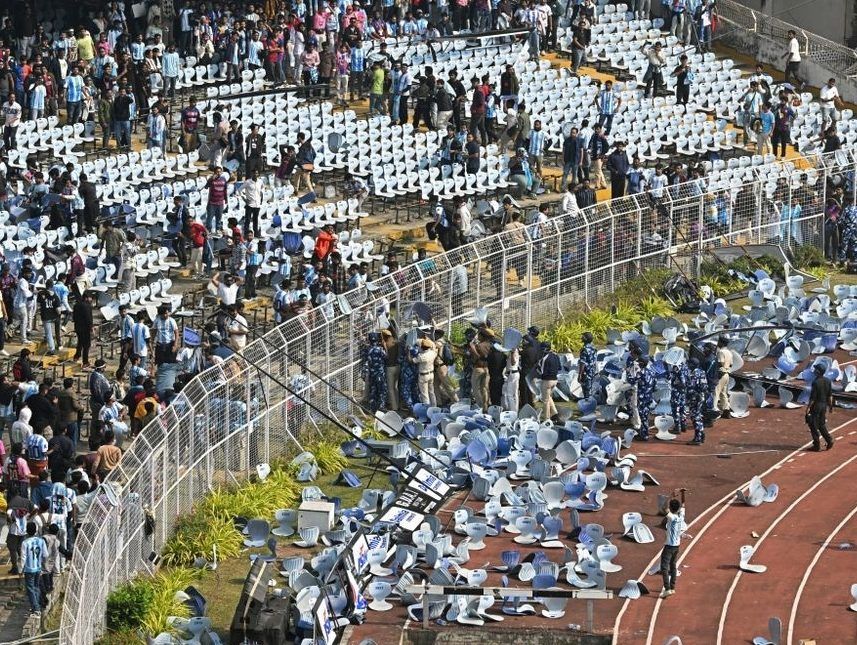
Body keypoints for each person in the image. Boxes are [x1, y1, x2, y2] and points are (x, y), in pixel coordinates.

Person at [660, 488, 686, 599]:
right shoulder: (681, 516)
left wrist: (671, 495)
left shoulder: (672, 517)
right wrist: (683, 493)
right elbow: (683, 504)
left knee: (664, 567)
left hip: (669, 546)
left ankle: (667, 589)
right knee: (673, 566)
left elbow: (663, 507)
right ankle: (672, 587)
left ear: (671, 508)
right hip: (677, 546)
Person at [21, 521, 47, 616]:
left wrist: (21, 569)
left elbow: (23, 557)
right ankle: (36, 606)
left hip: (29, 569)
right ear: (36, 530)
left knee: (30, 589)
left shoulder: (25, 542)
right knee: (36, 587)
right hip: (38, 568)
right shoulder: (41, 541)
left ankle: (36, 609)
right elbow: (45, 554)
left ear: (27, 531)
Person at [806, 364, 834, 451]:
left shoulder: (816, 382)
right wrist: (830, 406)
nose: (814, 371)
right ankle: (829, 440)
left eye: (815, 369)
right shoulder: (828, 381)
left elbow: (813, 398)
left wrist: (808, 408)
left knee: (813, 425)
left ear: (818, 371)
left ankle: (817, 445)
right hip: (824, 405)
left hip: (816, 406)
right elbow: (830, 395)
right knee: (821, 424)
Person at [687, 357, 708, 445]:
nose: (688, 365)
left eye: (689, 364)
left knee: (695, 417)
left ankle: (698, 438)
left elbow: (691, 387)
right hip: (700, 397)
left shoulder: (693, 374)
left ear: (693, 365)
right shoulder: (701, 372)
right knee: (698, 416)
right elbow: (705, 386)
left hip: (695, 398)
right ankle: (701, 434)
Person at [538, 341, 560, 421]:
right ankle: (555, 413)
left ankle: (547, 419)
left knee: (545, 401)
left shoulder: (544, 358)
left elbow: (541, 371)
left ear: (545, 349)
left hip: (547, 381)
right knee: (548, 397)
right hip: (555, 380)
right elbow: (559, 367)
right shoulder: (556, 356)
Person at [72, 292, 94, 367]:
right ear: (86, 298)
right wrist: (91, 327)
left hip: (77, 327)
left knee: (80, 342)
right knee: (86, 345)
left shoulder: (76, 305)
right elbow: (88, 318)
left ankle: (77, 356)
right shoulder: (87, 306)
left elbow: (74, 317)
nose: (91, 300)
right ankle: (85, 362)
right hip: (85, 328)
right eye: (90, 298)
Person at [714, 336, 733, 418]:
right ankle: (726, 410)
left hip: (721, 374)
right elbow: (731, 364)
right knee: (723, 393)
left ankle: (714, 410)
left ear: (721, 343)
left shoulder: (721, 352)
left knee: (716, 392)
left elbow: (720, 362)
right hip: (727, 374)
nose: (717, 343)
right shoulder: (729, 352)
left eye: (719, 342)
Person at [578, 332, 597, 398]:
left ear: (586, 339)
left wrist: (580, 375)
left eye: (583, 336)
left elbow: (582, 363)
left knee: (586, 392)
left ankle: (588, 402)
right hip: (592, 372)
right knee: (590, 391)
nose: (581, 337)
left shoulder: (584, 349)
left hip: (586, 373)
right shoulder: (594, 348)